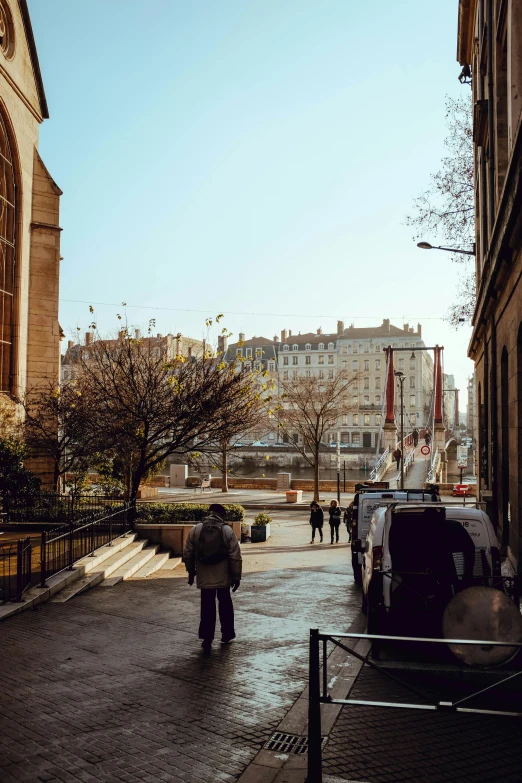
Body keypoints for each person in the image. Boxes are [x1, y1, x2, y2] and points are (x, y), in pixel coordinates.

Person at [183, 503, 242, 653]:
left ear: (209, 513)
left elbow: (188, 552)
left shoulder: (196, 529)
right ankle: (227, 634)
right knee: (225, 605)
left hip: (204, 577)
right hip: (223, 577)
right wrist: (236, 577)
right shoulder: (227, 530)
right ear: (221, 515)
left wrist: (191, 572)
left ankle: (207, 638)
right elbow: (235, 557)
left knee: (207, 607)